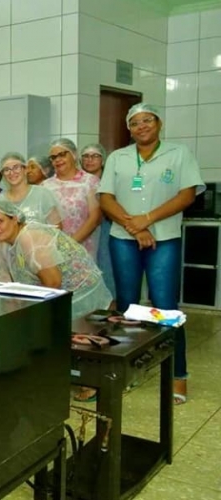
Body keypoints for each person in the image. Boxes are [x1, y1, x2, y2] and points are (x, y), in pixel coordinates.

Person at [99, 103, 205, 405]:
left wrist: (148, 219)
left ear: (158, 124)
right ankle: (125, 372)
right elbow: (106, 198)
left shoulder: (179, 153)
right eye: (135, 122)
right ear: (129, 128)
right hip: (123, 238)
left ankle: (178, 375)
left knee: (165, 307)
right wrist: (136, 227)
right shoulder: (118, 157)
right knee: (127, 307)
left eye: (148, 120)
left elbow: (187, 194)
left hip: (165, 239)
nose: (141, 126)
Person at [0, 201, 112, 320]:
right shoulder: (14, 240)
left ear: (14, 219)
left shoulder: (29, 238)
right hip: (63, 298)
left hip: (80, 300)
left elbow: (53, 283)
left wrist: (33, 315)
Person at [43, 138, 102, 259]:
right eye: (53, 157)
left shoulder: (90, 182)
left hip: (83, 248)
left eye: (62, 154)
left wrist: (69, 244)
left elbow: (95, 218)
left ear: (74, 155)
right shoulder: (45, 186)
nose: (58, 160)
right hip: (53, 250)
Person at [80, 143, 115, 299]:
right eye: (86, 156)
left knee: (105, 263)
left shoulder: (111, 179)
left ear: (103, 160)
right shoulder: (78, 182)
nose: (90, 160)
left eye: (95, 156)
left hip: (107, 226)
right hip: (82, 228)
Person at [0, 152, 62, 227]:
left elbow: (57, 227)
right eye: (6, 170)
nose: (12, 172)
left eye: (16, 167)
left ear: (25, 169)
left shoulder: (43, 194)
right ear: (3, 174)